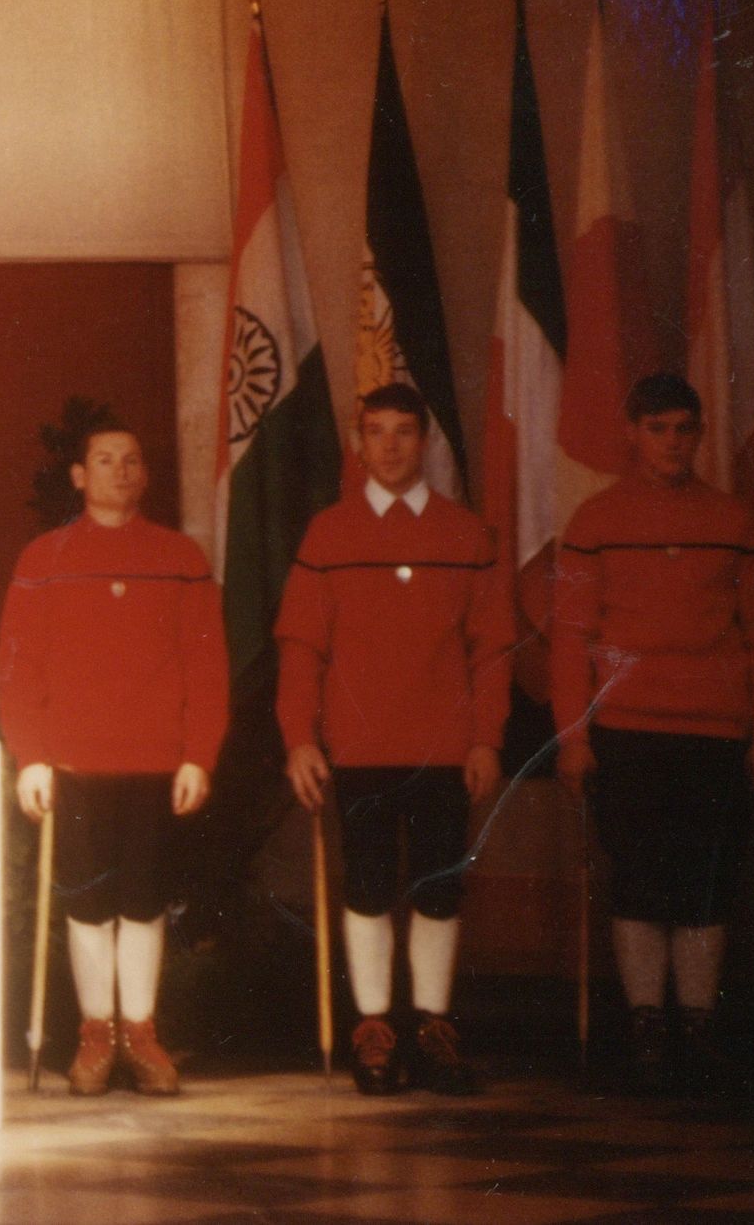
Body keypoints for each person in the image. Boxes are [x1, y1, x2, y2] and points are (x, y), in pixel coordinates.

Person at [276, 383, 512, 1095]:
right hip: (358, 747)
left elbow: (493, 648)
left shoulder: (465, 534)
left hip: (444, 748)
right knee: (370, 887)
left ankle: (434, 1024)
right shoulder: (329, 533)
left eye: (404, 431)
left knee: (440, 887)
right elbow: (300, 648)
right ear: (359, 441)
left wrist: (486, 739)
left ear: (424, 441)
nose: (389, 445)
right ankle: (374, 1026)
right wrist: (299, 738)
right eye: (375, 431)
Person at [552, 372, 754, 1093]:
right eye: (657, 428)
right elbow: (571, 639)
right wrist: (573, 735)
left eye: (684, 428)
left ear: (700, 433)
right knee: (641, 882)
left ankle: (698, 1020)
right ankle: (647, 1020)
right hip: (626, 729)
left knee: (707, 884)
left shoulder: (735, 521)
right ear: (632, 432)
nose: (671, 442)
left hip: (717, 734)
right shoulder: (594, 521)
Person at [0, 420, 227, 1095]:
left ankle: (141, 1032)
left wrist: (198, 754)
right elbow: (17, 666)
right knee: (89, 903)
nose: (119, 471)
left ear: (145, 474)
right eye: (103, 459)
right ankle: (95, 1034)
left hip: (155, 763)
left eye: (131, 459)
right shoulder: (44, 557)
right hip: (72, 764)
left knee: (145, 901)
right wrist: (31, 756)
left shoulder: (180, 556)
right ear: (79, 475)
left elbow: (206, 665)